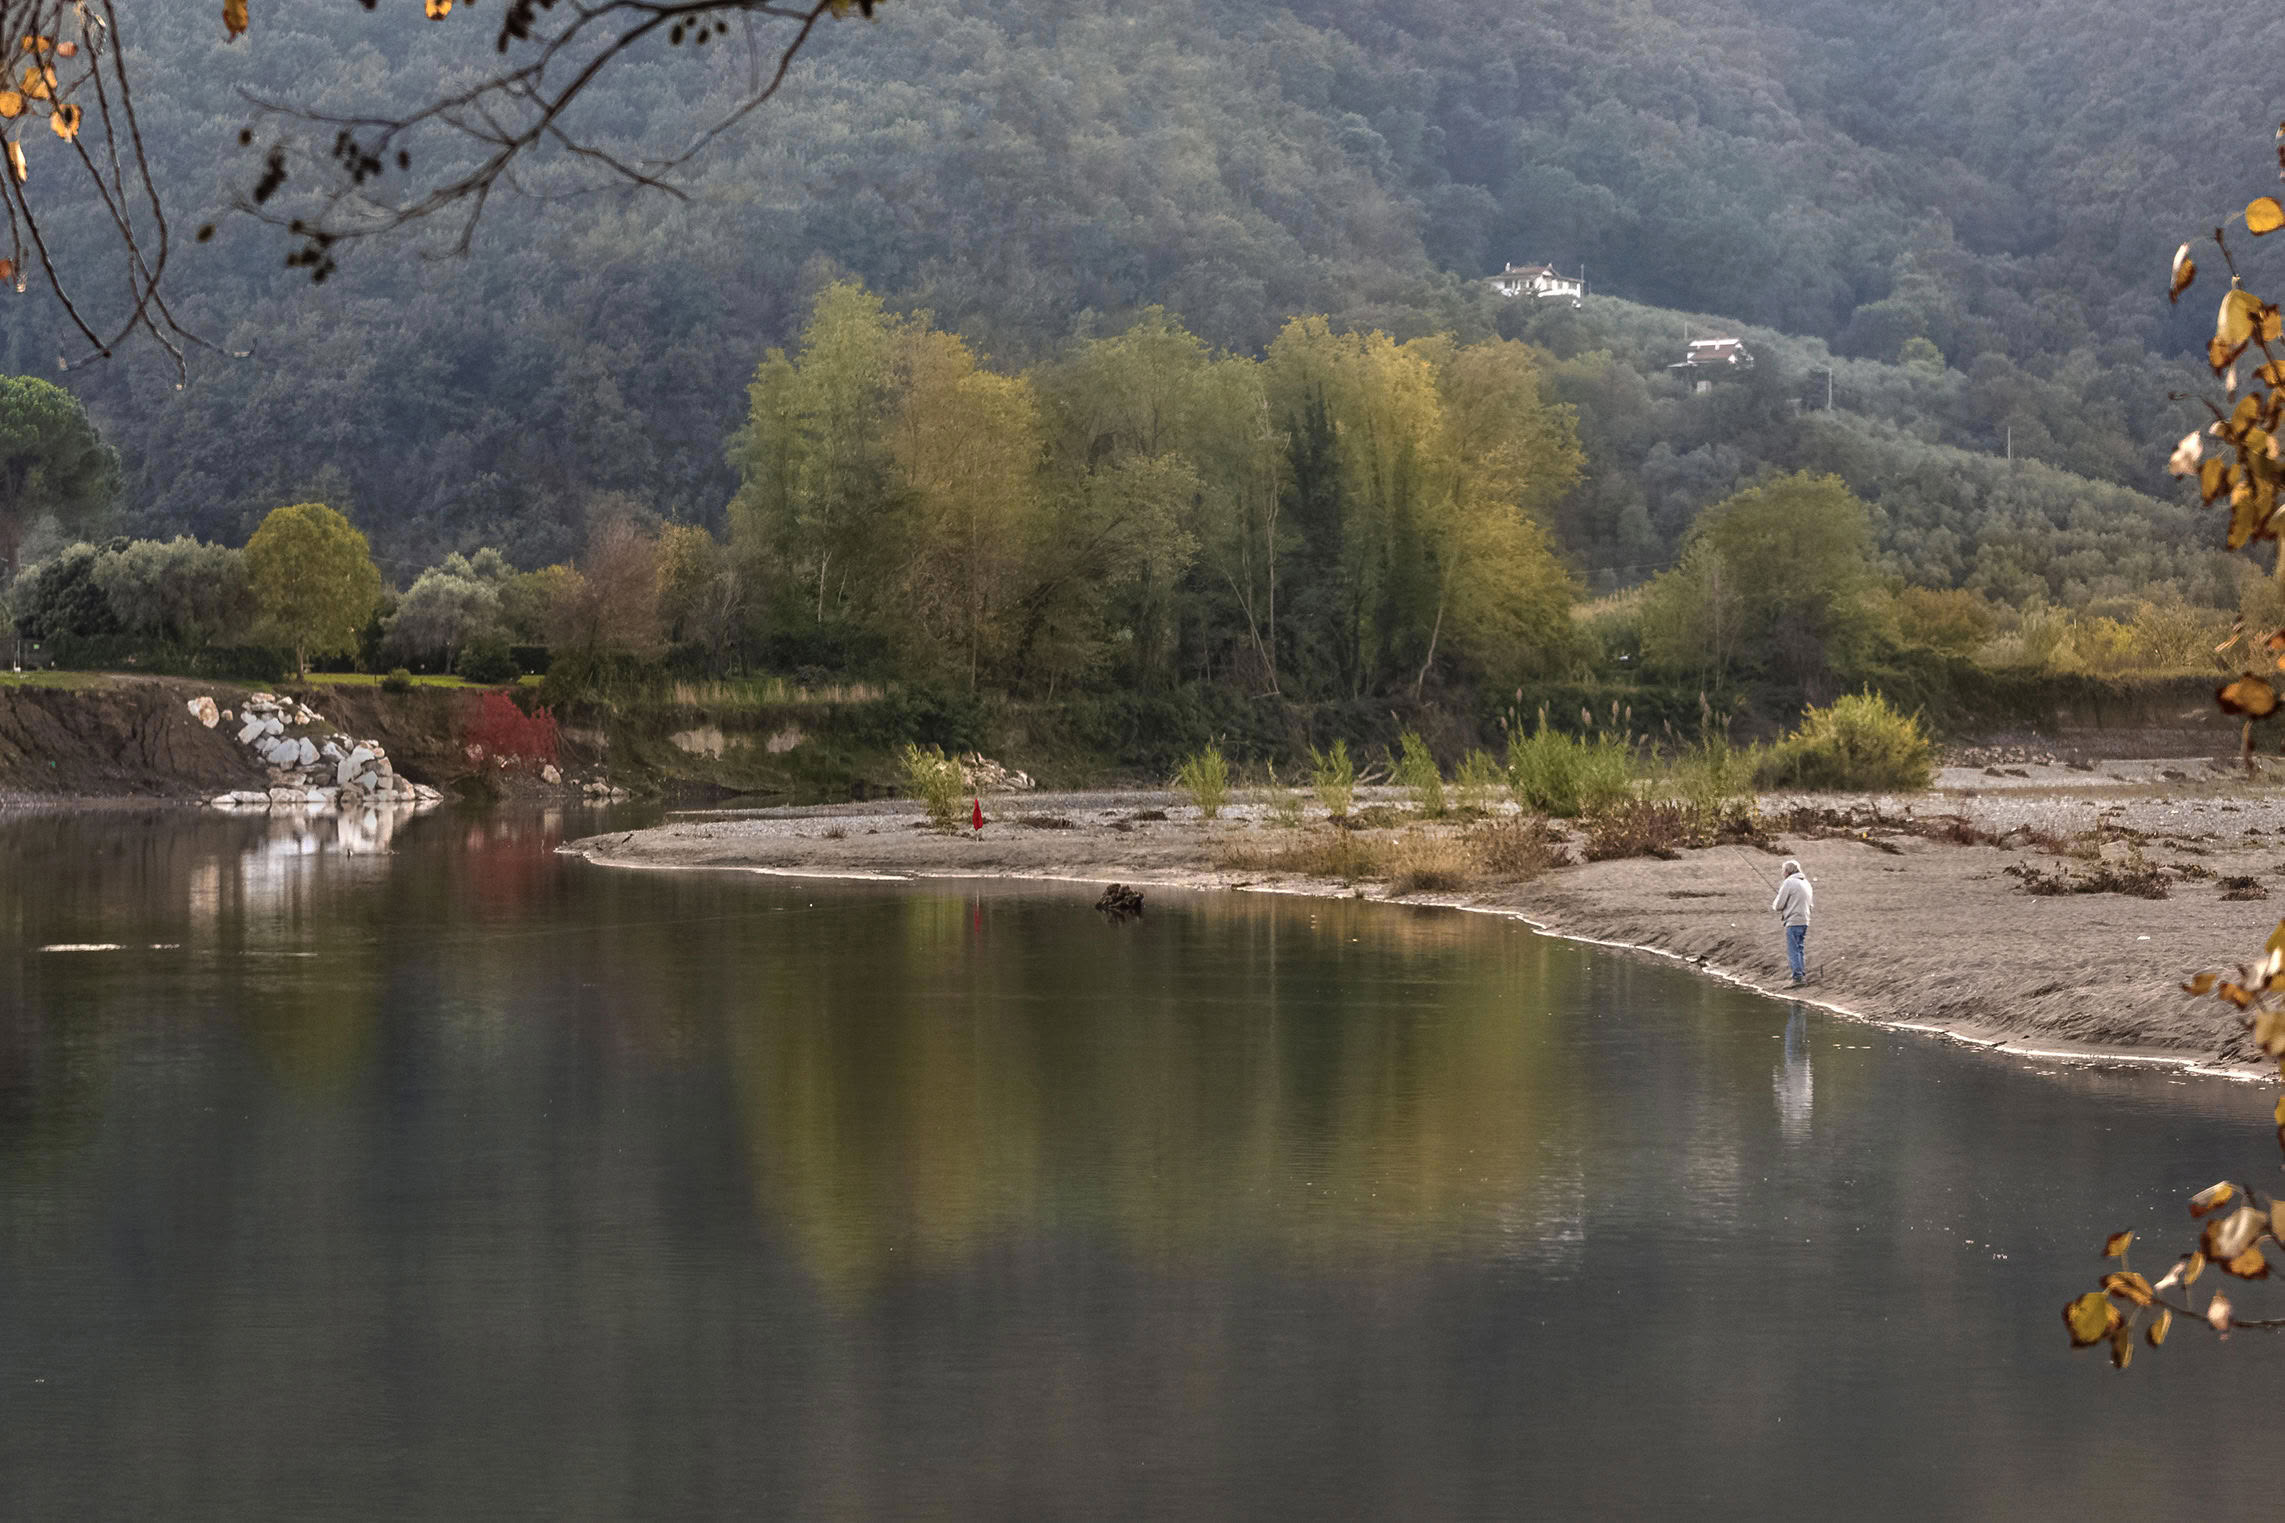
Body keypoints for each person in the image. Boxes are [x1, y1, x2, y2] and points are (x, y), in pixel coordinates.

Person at [1771, 859, 1813, 986]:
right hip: (1805, 920)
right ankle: (1801, 974)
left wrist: (1775, 904)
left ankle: (1797, 978)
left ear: (1787, 871)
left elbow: (1779, 905)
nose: (1782, 873)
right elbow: (1810, 904)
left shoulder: (1789, 882)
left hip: (1793, 921)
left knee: (1793, 950)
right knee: (1799, 948)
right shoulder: (1806, 883)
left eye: (1783, 870)